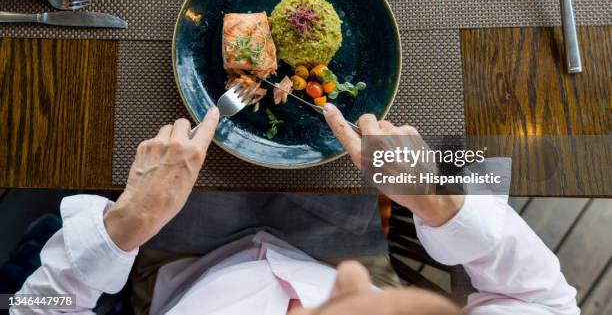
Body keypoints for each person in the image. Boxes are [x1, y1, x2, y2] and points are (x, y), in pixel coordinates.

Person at [12, 105, 579, 315]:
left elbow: (33, 307)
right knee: (477, 142)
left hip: (172, 263)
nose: (354, 282)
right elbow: (547, 303)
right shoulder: (351, 270)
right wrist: (436, 198)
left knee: (76, 148)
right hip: (337, 242)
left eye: (345, 300)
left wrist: (123, 226)